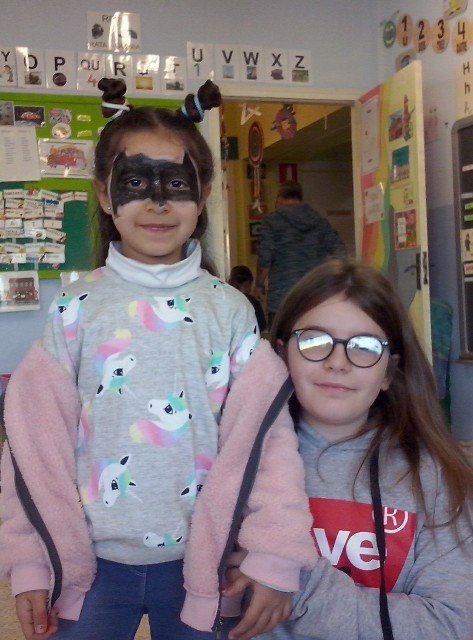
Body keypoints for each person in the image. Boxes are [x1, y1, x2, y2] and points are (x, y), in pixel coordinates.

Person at [0, 77, 317, 640]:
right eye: (135, 182)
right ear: (105, 196)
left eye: (175, 183)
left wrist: (274, 554)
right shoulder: (75, 309)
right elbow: (32, 445)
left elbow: (266, 443)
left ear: (204, 194)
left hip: (205, 564)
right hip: (90, 566)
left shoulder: (231, 312)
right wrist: (28, 562)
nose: (157, 203)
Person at [226, 258, 473, 640]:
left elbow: (451, 624)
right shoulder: (238, 461)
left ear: (389, 371)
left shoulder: (434, 475)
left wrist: (292, 578)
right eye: (314, 341)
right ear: (281, 355)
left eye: (365, 347)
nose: (338, 362)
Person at [255, 180, 345, 328]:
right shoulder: (319, 221)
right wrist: (331, 280)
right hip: (314, 294)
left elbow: (265, 257)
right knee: (313, 338)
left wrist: (259, 285)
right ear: (300, 198)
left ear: (280, 198)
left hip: (281, 298)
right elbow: (340, 252)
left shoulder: (272, 222)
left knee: (281, 339)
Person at [228, 265, 267, 332]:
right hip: (249, 336)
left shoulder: (225, 299)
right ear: (248, 283)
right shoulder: (253, 302)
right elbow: (261, 325)